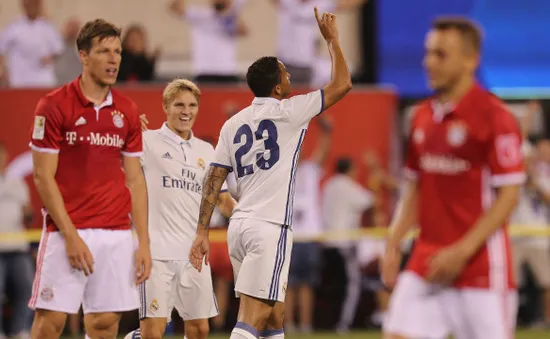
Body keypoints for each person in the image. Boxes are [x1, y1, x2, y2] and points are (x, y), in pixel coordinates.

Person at [188, 7, 352, 339]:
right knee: (254, 315)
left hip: (240, 228)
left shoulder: (233, 123)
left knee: (275, 316)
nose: (290, 77)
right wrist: (333, 41)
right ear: (277, 88)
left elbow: (214, 179)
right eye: (285, 74)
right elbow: (343, 84)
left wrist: (202, 231)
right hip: (269, 226)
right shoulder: (291, 111)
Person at [381, 17, 524, 339]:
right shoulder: (419, 117)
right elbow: (414, 187)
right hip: (426, 264)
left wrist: (461, 252)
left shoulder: (495, 117)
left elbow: (509, 197)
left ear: (470, 60)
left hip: (481, 270)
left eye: (440, 54)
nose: (428, 62)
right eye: (428, 53)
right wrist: (393, 241)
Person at [27, 19, 151, 339]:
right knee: (49, 325)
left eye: (118, 52)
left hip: (116, 234)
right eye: (104, 52)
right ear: (83, 56)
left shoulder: (127, 110)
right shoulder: (53, 105)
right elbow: (42, 176)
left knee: (105, 324)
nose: (113, 60)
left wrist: (143, 243)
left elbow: (135, 180)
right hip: (66, 231)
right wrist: (70, 236)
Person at [123, 79, 236, 339]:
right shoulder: (147, 141)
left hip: (194, 255)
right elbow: (121, 168)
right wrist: (129, 136)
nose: (186, 111)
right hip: (156, 253)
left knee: (199, 330)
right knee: (153, 332)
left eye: (192, 105)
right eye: (179, 105)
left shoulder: (207, 150)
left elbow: (221, 199)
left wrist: (248, 219)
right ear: (166, 106)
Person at [284, 116, 332, 334]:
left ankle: (304, 325)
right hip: (290, 236)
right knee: (288, 285)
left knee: (306, 285)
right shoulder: (282, 173)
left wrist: (326, 132)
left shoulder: (311, 169)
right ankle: (289, 325)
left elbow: (324, 151)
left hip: (310, 237)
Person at [322, 157, 374, 334]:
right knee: (352, 285)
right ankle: (343, 324)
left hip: (329, 243)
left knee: (334, 286)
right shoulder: (347, 185)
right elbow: (368, 200)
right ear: (349, 170)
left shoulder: (329, 185)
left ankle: (329, 322)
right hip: (345, 243)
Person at [0, 141, 34, 339]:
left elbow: (26, 215)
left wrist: (29, 214)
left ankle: (20, 329)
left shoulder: (17, 182)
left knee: (26, 291)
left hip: (18, 246)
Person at [0, 0, 64, 87]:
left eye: (34, 3)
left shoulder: (47, 26)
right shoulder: (14, 26)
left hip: (43, 80)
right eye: (28, 3)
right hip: (19, 81)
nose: (31, 6)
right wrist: (3, 71)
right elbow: (2, 49)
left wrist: (50, 57)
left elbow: (58, 48)